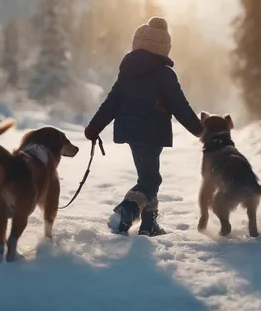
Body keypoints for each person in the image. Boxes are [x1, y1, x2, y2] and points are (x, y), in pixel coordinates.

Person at [84, 16, 203, 236]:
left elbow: (112, 101)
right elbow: (180, 105)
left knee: (147, 176)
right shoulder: (165, 74)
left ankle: (149, 224)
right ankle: (125, 210)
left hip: (129, 131)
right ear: (164, 48)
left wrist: (94, 127)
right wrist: (200, 130)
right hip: (152, 133)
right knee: (150, 181)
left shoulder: (128, 72)